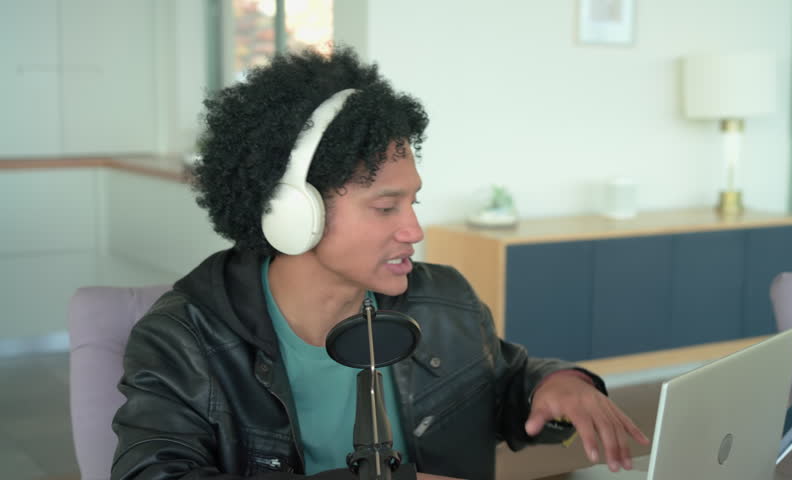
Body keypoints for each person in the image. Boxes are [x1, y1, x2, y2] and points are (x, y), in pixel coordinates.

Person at [111, 46, 648, 480]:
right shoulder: (183, 339)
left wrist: (556, 384)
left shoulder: (446, 301)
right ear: (293, 213)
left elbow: (503, 381)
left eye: (413, 202)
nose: (413, 230)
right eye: (385, 207)